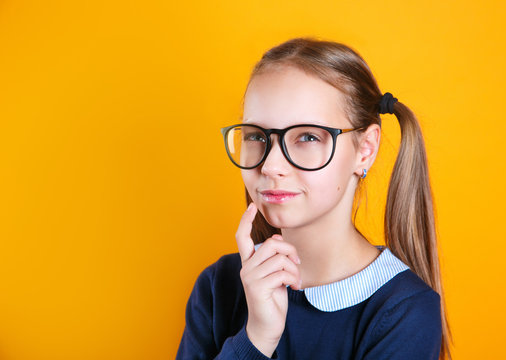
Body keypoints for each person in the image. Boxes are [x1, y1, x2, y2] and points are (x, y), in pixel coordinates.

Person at [175, 37, 452, 360]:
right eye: (256, 136)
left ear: (365, 150)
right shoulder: (218, 286)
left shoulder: (404, 313)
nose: (271, 165)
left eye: (307, 137)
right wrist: (256, 339)